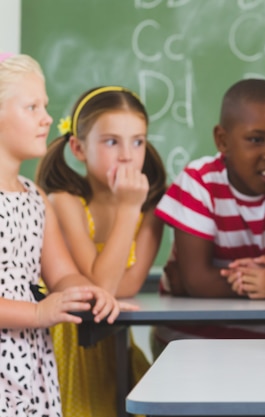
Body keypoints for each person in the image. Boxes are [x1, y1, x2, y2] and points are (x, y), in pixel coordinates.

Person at [151, 78, 265, 358]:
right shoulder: (199, 182)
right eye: (256, 140)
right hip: (190, 342)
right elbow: (197, 281)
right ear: (222, 140)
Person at [0, 53, 122, 416]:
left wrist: (89, 292)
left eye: (46, 106)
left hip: (30, 364)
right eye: (32, 107)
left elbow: (61, 273)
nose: (48, 118)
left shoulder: (34, 196)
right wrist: (38, 313)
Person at [35, 85, 167, 417]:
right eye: (112, 142)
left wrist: (133, 208)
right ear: (78, 148)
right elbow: (103, 288)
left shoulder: (150, 209)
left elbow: (128, 286)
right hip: (71, 344)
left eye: (138, 141)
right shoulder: (64, 202)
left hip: (113, 342)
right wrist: (127, 211)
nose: (127, 155)